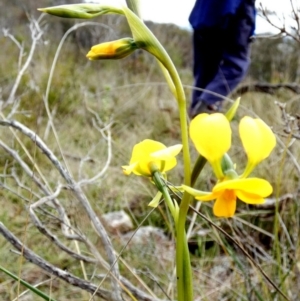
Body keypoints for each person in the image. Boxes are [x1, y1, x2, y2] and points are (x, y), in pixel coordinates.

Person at [188, 0, 256, 118]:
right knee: (236, 65)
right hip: (234, 13)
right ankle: (207, 105)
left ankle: (196, 113)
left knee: (204, 72)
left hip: (204, 16)